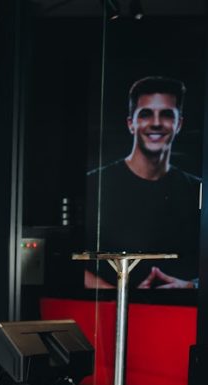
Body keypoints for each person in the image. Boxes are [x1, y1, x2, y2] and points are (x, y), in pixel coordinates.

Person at [85, 76, 202, 290]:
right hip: (114, 308)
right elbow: (69, 263)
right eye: (146, 114)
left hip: (182, 308)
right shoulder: (94, 185)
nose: (156, 123)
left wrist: (189, 286)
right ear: (131, 124)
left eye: (166, 114)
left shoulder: (197, 190)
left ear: (179, 124)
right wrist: (123, 298)